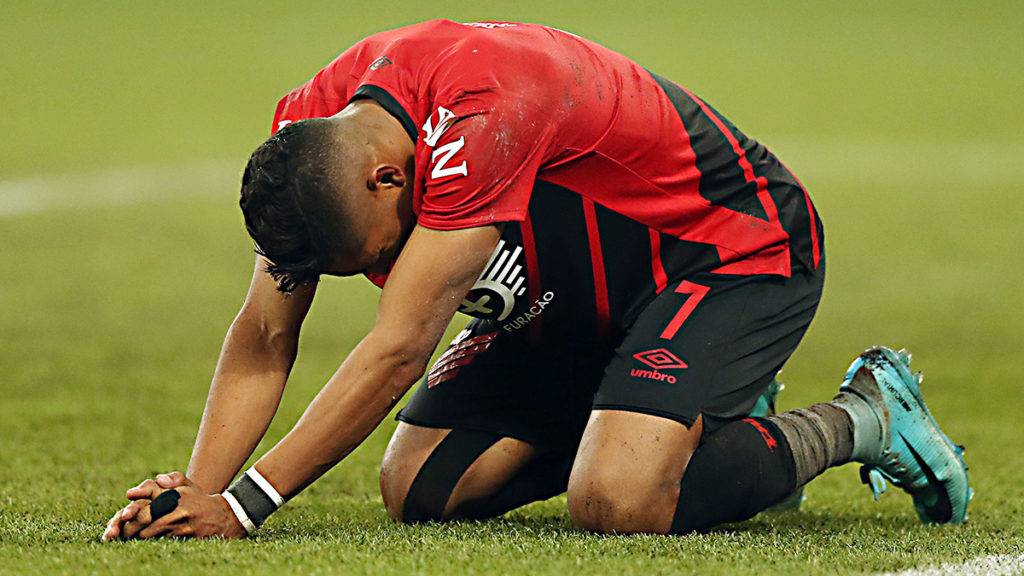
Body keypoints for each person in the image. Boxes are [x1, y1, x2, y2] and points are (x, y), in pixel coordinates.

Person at [101, 19, 971, 541]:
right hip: (577, 285)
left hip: (729, 251)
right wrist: (197, 490)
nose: (379, 271)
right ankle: (685, 411)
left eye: (375, 254)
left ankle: (862, 417)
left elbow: (398, 347)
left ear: (388, 179)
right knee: (422, 488)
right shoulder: (310, 138)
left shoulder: (487, 110)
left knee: (617, 499)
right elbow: (265, 333)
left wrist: (245, 507)